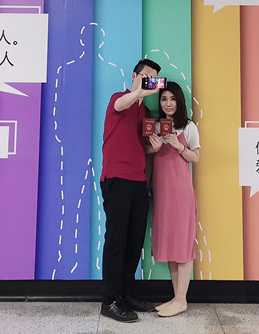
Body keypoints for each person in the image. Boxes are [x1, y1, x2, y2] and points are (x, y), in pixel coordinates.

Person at [99, 58, 162, 323]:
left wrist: (153, 149)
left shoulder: (145, 112)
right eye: (146, 77)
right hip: (116, 178)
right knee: (116, 241)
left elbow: (140, 147)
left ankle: (126, 294)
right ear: (135, 76)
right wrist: (139, 93)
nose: (149, 82)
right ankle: (110, 300)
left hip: (138, 181)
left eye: (153, 79)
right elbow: (121, 104)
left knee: (134, 241)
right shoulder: (120, 98)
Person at [146, 81, 200, 318]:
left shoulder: (188, 126)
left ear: (180, 102)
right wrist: (153, 149)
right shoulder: (155, 127)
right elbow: (146, 154)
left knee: (183, 246)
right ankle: (176, 297)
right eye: (164, 99)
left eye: (172, 99)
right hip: (162, 193)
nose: (168, 104)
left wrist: (178, 146)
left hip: (181, 193)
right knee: (169, 244)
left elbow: (195, 158)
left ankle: (181, 300)